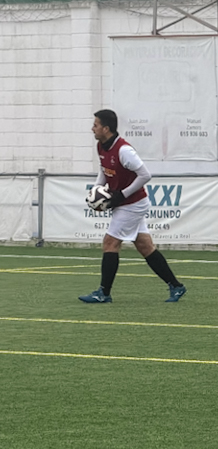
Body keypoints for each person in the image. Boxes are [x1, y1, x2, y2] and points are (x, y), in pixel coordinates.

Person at [78, 109, 188, 304]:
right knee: (145, 246)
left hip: (133, 204)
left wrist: (122, 194)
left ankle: (104, 293)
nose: (92, 128)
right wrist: (96, 191)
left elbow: (145, 175)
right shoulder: (101, 146)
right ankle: (176, 286)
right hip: (125, 203)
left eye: (95, 125)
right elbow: (104, 171)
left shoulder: (124, 150)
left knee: (110, 243)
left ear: (106, 128)